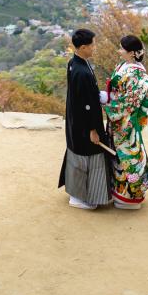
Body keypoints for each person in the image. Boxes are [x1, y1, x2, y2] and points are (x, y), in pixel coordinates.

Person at [58, 28, 111, 209]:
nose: (94, 47)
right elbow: (86, 105)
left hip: (76, 120)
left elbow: (83, 97)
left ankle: (77, 193)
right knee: (86, 158)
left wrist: (97, 95)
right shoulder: (82, 72)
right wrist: (93, 130)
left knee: (78, 154)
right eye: (92, 45)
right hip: (84, 124)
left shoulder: (75, 63)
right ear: (82, 47)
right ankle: (80, 198)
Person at [104, 33, 148, 209]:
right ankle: (119, 192)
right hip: (118, 121)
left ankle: (132, 197)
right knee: (117, 157)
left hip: (126, 123)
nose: (119, 51)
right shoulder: (123, 66)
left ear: (132, 53)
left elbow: (130, 102)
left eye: (122, 49)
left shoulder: (138, 75)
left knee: (129, 158)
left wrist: (108, 103)